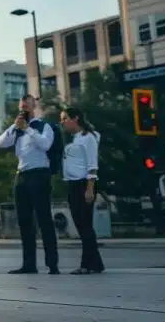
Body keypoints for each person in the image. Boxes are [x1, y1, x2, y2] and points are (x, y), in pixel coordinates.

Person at [0, 94, 59, 275]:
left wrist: (29, 130)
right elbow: (0, 143)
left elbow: (46, 144)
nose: (23, 110)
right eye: (21, 107)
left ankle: (52, 264)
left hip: (39, 174)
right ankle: (29, 264)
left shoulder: (43, 126)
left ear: (34, 106)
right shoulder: (17, 128)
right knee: (24, 220)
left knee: (44, 218)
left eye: (27, 107)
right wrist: (15, 127)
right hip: (22, 175)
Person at [59, 108, 104, 274]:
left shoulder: (88, 137)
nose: (62, 122)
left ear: (75, 118)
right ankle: (96, 263)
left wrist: (90, 189)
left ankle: (87, 264)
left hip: (84, 184)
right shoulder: (75, 139)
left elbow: (92, 165)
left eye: (65, 118)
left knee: (84, 225)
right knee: (81, 225)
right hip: (72, 184)